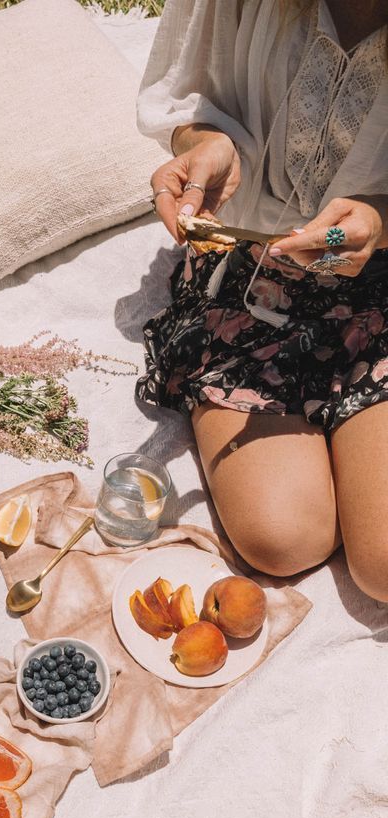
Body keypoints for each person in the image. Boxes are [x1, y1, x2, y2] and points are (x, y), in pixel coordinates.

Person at [135, 0, 388, 599]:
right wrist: (209, 145)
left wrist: (380, 222)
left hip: (379, 290)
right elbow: (189, 94)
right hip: (244, 277)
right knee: (284, 538)